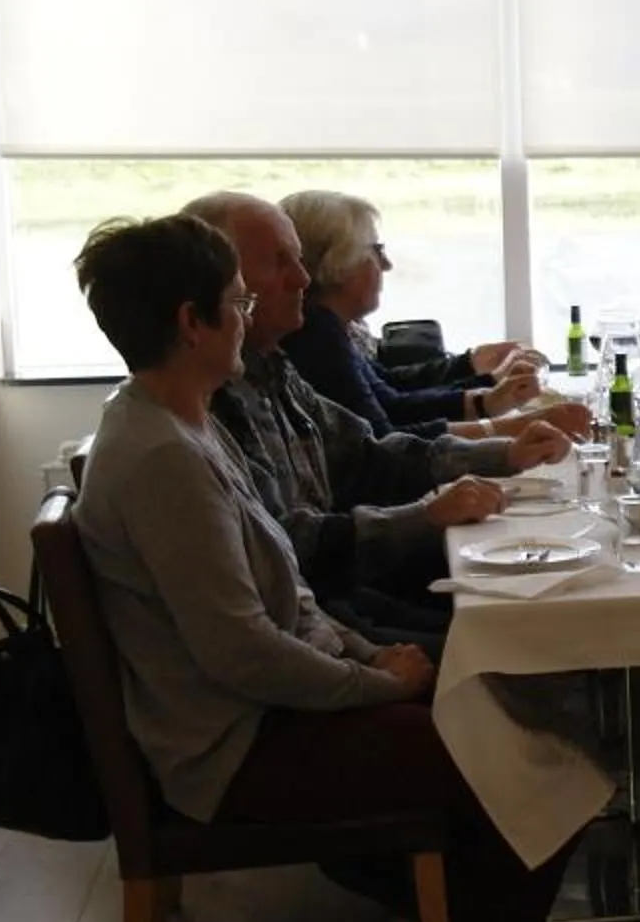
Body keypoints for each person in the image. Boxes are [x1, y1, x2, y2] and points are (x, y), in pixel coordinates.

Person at [68, 215, 569, 922]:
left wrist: (370, 655)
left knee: (508, 715)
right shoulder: (162, 459)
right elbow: (243, 653)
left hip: (268, 709)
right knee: (525, 753)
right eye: (236, 300)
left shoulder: (180, 421)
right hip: (235, 746)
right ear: (193, 323)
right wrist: (381, 684)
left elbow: (284, 594)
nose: (251, 310)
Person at [184, 192, 572, 617]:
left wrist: (503, 452)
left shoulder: (270, 363)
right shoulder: (211, 399)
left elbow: (367, 451)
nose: (303, 279)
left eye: (298, 260)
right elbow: (290, 547)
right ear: (222, 287)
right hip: (329, 603)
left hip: (337, 593)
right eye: (279, 263)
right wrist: (428, 514)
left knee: (542, 585)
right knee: (526, 612)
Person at [276, 190, 574, 440]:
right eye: (376, 251)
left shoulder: (326, 326)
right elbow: (385, 441)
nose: (387, 264)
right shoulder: (313, 335)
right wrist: (505, 426)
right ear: (341, 261)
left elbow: (390, 396)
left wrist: (489, 391)